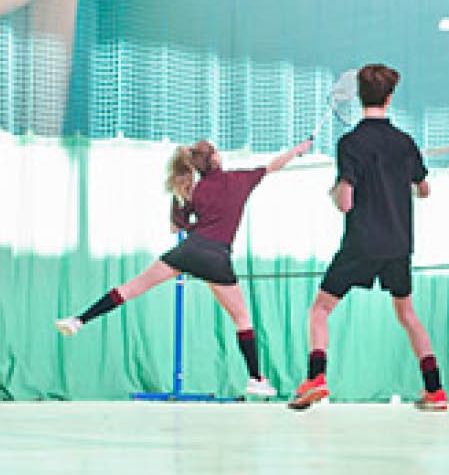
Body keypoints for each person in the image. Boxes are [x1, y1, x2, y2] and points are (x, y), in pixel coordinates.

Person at [56, 138, 311, 398]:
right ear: (215, 158)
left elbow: (175, 227)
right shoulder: (239, 180)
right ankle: (256, 378)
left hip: (187, 252)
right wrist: (297, 150)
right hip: (216, 258)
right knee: (242, 319)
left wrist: (181, 201)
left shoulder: (193, 189)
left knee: (131, 288)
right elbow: (274, 165)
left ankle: (78, 320)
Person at [287, 64, 446, 411]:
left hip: (362, 242)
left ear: (360, 97)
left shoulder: (351, 143)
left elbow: (345, 203)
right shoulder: (405, 142)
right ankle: (435, 390)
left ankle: (316, 378)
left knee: (320, 309)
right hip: (398, 244)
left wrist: (334, 192)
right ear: (390, 98)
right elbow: (424, 190)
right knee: (408, 315)